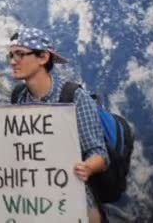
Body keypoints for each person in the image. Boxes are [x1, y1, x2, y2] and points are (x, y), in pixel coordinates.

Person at [8, 27, 109, 223]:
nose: (13, 61)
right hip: (34, 204)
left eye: (20, 54)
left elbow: (100, 155)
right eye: (11, 55)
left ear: (43, 57)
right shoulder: (18, 97)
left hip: (73, 203)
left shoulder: (74, 97)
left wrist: (87, 167)